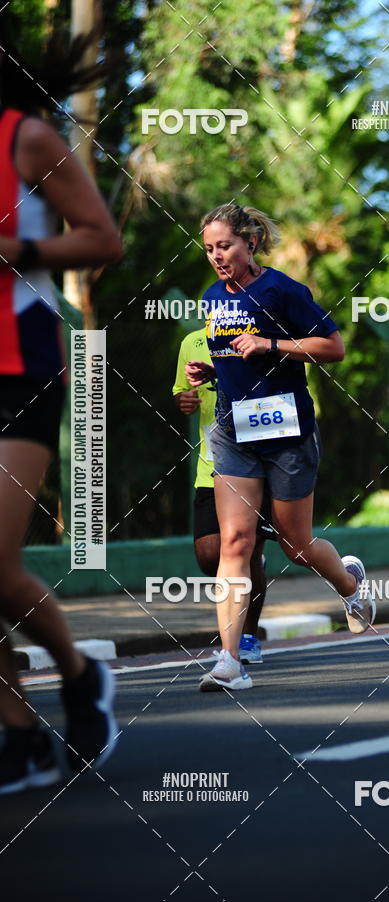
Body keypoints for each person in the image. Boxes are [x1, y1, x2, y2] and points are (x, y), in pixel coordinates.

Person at [0, 14, 122, 794]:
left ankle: (78, 678)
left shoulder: (26, 139)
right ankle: (19, 735)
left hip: (20, 365)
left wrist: (21, 251)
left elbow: (102, 239)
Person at [186, 203, 375, 691]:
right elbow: (233, 354)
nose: (216, 256)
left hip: (287, 430)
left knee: (296, 545)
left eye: (224, 245)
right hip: (233, 429)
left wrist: (272, 345)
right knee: (236, 542)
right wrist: (214, 371)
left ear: (250, 242)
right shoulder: (213, 297)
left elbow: (333, 348)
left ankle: (350, 585)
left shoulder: (283, 291)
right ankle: (230, 661)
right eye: (208, 249)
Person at [173, 328, 276, 663]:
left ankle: (246, 637)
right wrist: (183, 400)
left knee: (245, 550)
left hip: (255, 462)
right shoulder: (192, 343)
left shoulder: (259, 340)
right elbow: (181, 392)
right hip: (211, 465)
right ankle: (253, 567)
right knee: (208, 555)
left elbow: (273, 385)